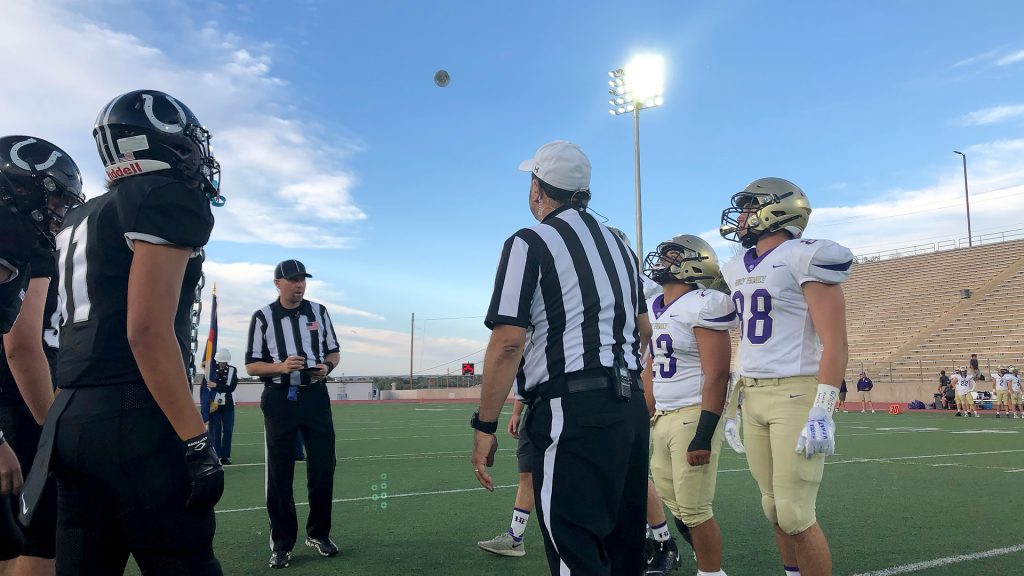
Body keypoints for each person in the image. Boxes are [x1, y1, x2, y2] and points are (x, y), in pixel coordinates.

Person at [20, 90, 225, 574]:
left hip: (69, 412)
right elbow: (148, 330)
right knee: (184, 560)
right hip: (135, 412)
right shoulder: (165, 197)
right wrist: (196, 441)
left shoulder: (79, 214)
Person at [471, 140, 652, 575]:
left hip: (572, 409)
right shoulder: (620, 246)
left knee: (577, 554)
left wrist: (484, 424)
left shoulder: (529, 242)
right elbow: (645, 331)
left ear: (538, 189)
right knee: (622, 552)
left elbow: (508, 342)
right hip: (628, 410)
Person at [719, 177, 852, 576]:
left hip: (795, 393)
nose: (741, 217)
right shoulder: (733, 267)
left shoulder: (803, 256)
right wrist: (731, 406)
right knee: (773, 506)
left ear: (776, 210)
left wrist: (823, 408)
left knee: (795, 513)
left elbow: (836, 342)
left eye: (749, 207)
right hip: (753, 393)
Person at [0, 136, 83, 575]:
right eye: (55, 199)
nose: (60, 212)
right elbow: (21, 345)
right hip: (21, 406)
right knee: (38, 541)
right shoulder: (25, 241)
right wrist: (54, 431)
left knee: (8, 541)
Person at [642, 234, 737, 576]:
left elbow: (717, 375)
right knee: (676, 505)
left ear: (694, 263)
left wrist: (704, 433)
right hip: (663, 417)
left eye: (671, 256)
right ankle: (705, 563)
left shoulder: (704, 303)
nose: (662, 261)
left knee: (695, 509)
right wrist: (641, 416)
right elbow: (651, 369)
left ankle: (711, 573)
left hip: (692, 414)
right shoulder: (654, 307)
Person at [246, 259, 341, 568]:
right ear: (278, 284)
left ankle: (319, 534)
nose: (299, 284)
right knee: (280, 472)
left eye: (302, 279)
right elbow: (251, 365)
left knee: (323, 466)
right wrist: (281, 367)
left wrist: (325, 367)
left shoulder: (319, 312)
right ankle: (282, 543)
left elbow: (333, 352)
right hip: (279, 400)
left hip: (315, 397)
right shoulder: (263, 318)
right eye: (292, 280)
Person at [477, 399, 533, 557]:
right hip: (539, 408)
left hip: (576, 403)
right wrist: (516, 412)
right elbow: (525, 376)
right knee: (528, 471)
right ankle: (515, 538)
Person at [207, 349, 238, 465]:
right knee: (215, 431)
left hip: (228, 405)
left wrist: (217, 385)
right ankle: (216, 456)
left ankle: (225, 456)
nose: (222, 363)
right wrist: (219, 386)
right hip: (214, 405)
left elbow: (231, 388)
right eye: (220, 361)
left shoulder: (232, 370)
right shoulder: (211, 370)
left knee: (228, 430)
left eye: (223, 362)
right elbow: (208, 386)